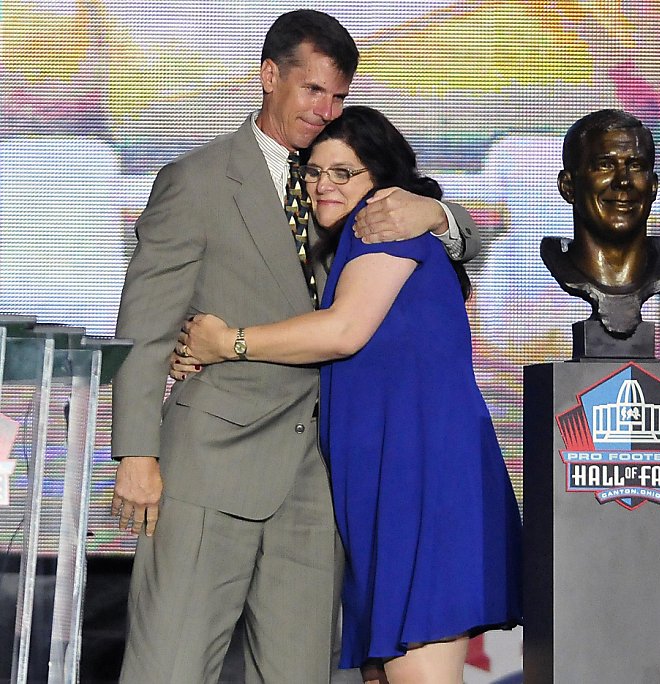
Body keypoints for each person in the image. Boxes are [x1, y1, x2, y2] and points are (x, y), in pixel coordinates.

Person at [109, 11, 481, 683]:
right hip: (211, 470)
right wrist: (137, 454)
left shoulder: (348, 187)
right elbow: (144, 325)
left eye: (338, 96)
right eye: (314, 91)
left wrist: (442, 214)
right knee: (171, 665)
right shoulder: (197, 180)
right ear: (269, 77)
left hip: (320, 479)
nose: (326, 109)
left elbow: (450, 240)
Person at [177, 106, 523, 684]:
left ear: (381, 181)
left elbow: (343, 331)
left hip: (420, 482)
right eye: (314, 172)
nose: (322, 186)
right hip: (390, 482)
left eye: (343, 172)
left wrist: (226, 343)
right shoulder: (351, 236)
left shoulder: (382, 226)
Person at [541, 109, 660, 338]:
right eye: (605, 165)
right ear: (568, 186)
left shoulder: (659, 268)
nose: (623, 181)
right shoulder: (558, 262)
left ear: (653, 186)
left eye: (636, 166)